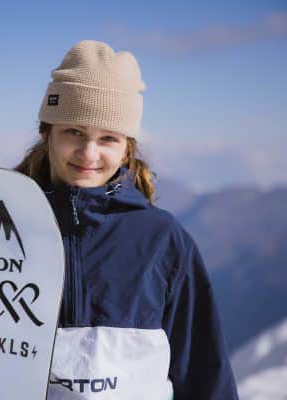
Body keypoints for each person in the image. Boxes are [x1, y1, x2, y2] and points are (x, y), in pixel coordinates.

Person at [15, 40, 239, 399]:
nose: (88, 153)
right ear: (48, 132)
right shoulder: (7, 226)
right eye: (73, 131)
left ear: (126, 148)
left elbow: (204, 373)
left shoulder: (161, 240)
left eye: (108, 138)